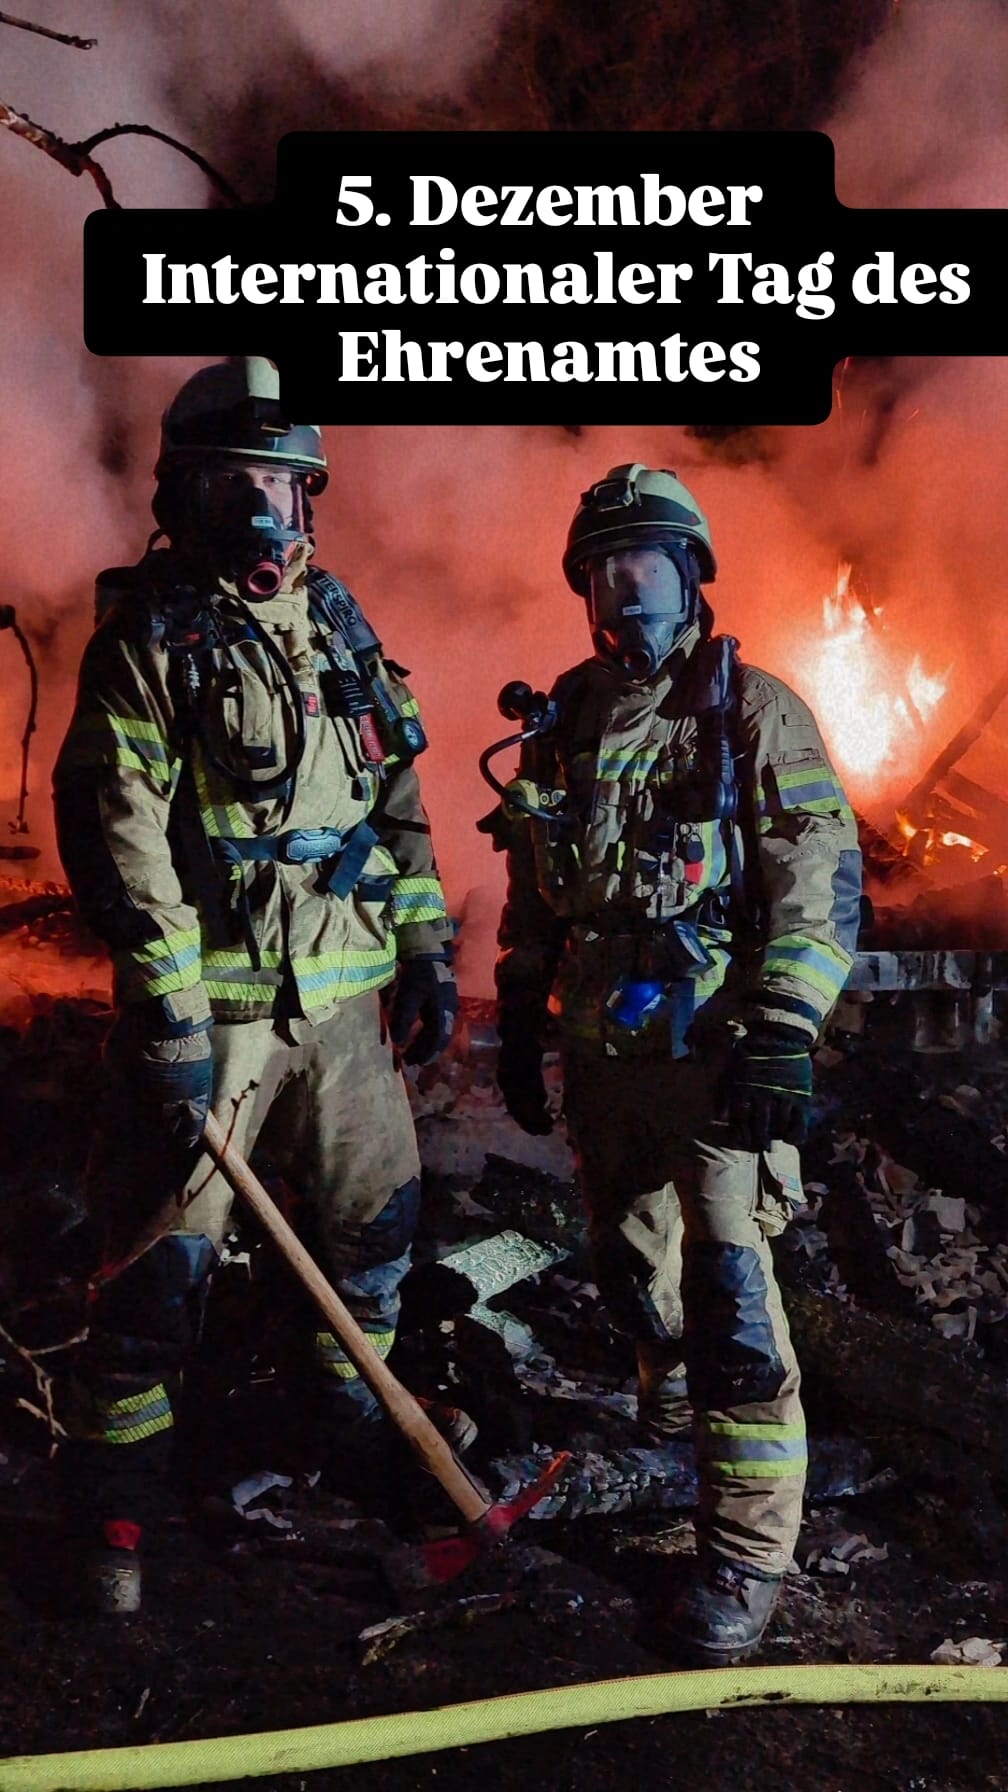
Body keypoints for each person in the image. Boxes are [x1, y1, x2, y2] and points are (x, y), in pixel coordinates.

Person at [52, 357, 465, 1613]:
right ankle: (115, 1518)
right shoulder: (148, 643)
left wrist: (428, 949)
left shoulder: (338, 625)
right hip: (218, 1021)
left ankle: (337, 1448)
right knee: (154, 1278)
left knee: (374, 1243)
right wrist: (171, 1017)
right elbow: (121, 841)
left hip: (342, 1017)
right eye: (230, 484)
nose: (259, 511)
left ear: (309, 498)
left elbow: (397, 803)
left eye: (279, 485)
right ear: (181, 497)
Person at [488, 462, 861, 1664]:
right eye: (603, 568)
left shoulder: (752, 709)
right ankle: (669, 1431)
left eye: (645, 560)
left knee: (732, 1306)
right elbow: (534, 876)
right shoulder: (566, 714)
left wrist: (787, 1030)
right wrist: (519, 997)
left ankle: (745, 1556)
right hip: (607, 1058)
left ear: (693, 571)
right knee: (631, 1270)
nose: (624, 586)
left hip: (715, 1062)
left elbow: (818, 877)